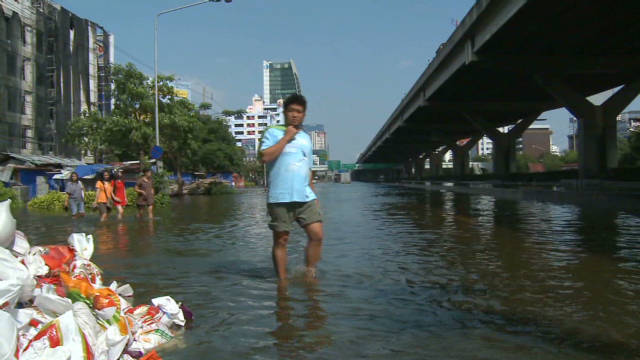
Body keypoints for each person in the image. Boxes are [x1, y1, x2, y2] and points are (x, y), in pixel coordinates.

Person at [259, 94, 323, 281]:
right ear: (285, 112)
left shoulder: (306, 138)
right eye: (291, 111)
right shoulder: (272, 132)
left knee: (317, 235)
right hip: (280, 196)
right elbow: (265, 157)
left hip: (305, 196)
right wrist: (286, 138)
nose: (295, 115)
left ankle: (310, 272)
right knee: (281, 240)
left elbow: (308, 169)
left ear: (304, 115)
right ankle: (283, 281)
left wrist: (315, 196)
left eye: (299, 112)